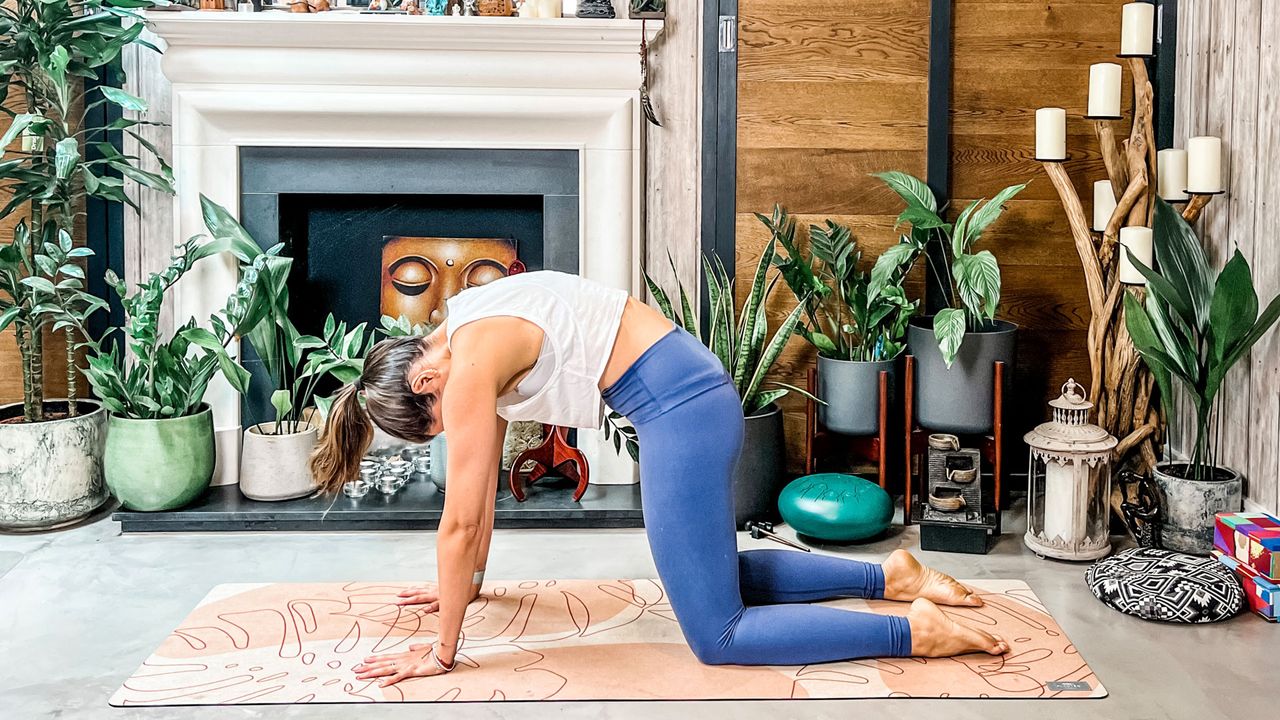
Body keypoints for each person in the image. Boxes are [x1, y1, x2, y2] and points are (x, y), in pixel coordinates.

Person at [310, 270, 1008, 687]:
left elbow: (458, 521)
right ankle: (892, 579)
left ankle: (914, 633)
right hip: (688, 395)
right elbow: (480, 502)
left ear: (424, 381)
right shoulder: (466, 326)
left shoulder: (461, 369)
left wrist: (441, 653)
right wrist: (464, 586)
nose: (448, 435)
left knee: (718, 634)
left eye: (431, 427)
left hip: (682, 412)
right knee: (708, 576)